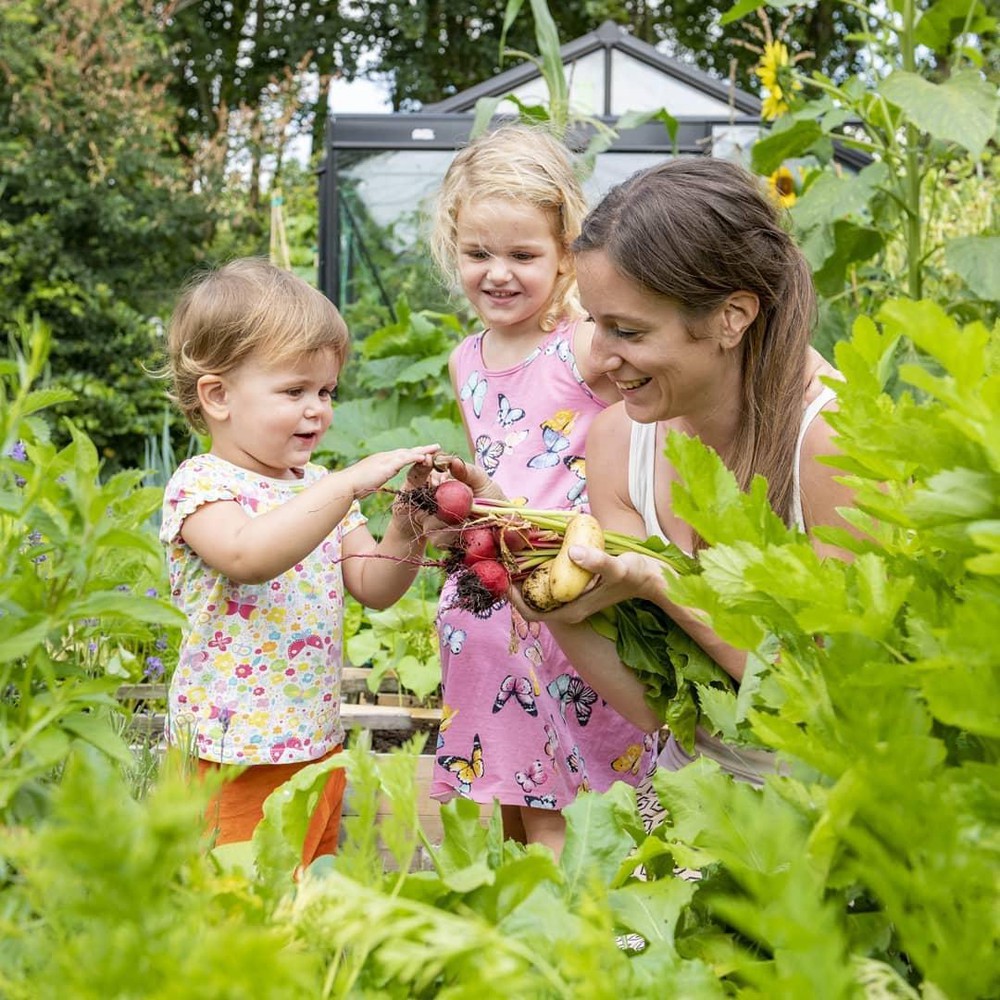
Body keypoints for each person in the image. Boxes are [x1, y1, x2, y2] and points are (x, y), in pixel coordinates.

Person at [508, 155, 857, 786]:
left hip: (832, 797)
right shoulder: (620, 439)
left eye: (628, 330)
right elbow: (658, 707)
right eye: (594, 322)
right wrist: (552, 603)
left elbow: (827, 702)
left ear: (731, 317)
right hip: (694, 783)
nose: (600, 355)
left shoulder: (832, 442)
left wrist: (663, 584)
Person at [158, 257, 439, 866]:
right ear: (218, 395)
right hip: (230, 754)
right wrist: (344, 487)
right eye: (294, 391)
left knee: (303, 893)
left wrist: (410, 521)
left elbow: (374, 583)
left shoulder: (316, 486)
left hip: (313, 742)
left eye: (326, 391)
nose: (319, 409)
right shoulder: (201, 484)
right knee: (233, 900)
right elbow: (247, 555)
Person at [427, 123, 657, 857]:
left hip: (565, 603)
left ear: (566, 257)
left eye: (524, 255)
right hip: (483, 609)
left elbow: (658, 368)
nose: (498, 273)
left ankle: (575, 941)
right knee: (505, 789)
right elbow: (503, 468)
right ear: (453, 248)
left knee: (574, 796)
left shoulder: (584, 344)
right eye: (478, 254)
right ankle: (524, 921)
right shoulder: (467, 358)